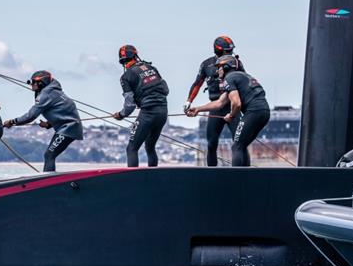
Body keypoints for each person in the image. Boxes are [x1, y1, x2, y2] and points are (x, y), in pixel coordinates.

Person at [187, 55, 270, 166]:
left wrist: (231, 115)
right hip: (264, 112)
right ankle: (247, 179)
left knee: (236, 146)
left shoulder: (229, 78)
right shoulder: (241, 76)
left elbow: (236, 103)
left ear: (226, 67)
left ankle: (236, 179)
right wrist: (198, 109)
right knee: (242, 145)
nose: (217, 71)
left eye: (219, 67)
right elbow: (220, 103)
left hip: (253, 112)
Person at [3, 71, 83, 172]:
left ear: (41, 83)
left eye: (34, 82)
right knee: (49, 154)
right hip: (67, 126)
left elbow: (30, 116)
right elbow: (62, 110)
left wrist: (12, 121)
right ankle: (49, 179)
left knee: (49, 155)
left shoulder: (46, 94)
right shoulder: (52, 91)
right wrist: (49, 124)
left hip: (69, 128)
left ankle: (49, 182)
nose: (31, 84)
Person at [184, 35, 245, 166]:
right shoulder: (207, 64)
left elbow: (244, 81)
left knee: (239, 143)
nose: (229, 54)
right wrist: (189, 101)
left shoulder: (236, 63)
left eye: (230, 51)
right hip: (215, 107)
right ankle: (212, 174)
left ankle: (243, 175)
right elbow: (197, 83)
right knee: (211, 143)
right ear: (218, 51)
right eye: (226, 51)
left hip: (232, 106)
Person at [112, 44, 169, 167]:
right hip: (163, 112)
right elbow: (166, 90)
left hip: (148, 113)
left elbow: (130, 105)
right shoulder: (152, 68)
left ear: (122, 62)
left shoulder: (126, 77)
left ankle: (133, 182)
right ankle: (153, 179)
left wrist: (121, 115)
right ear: (135, 56)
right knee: (150, 147)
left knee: (131, 148)